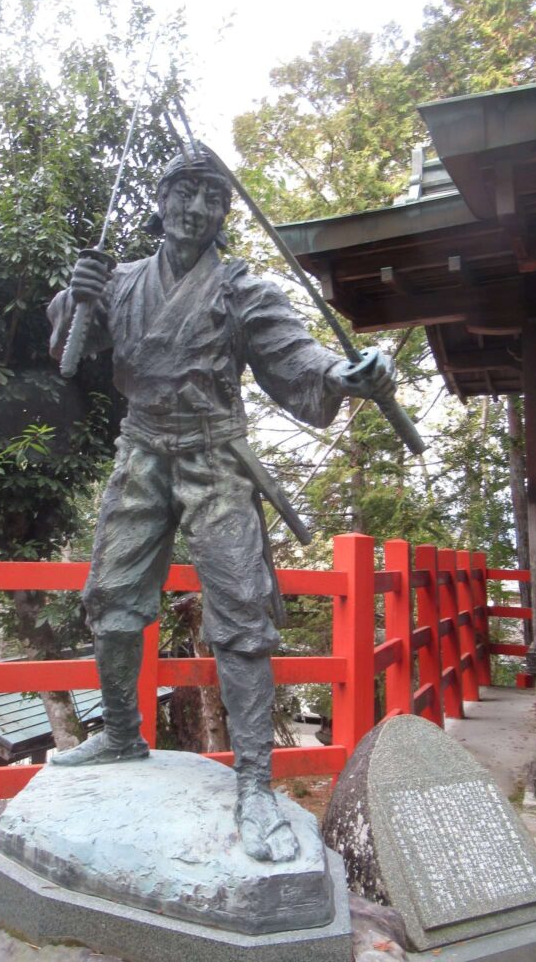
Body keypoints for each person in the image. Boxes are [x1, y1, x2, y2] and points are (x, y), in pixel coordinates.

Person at [47, 145, 395, 864]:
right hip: (141, 448)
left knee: (241, 614)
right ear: (161, 201)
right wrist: (76, 296)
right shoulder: (122, 281)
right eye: (185, 194)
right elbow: (68, 355)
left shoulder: (242, 289)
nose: (196, 209)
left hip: (215, 458)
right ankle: (119, 733)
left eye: (212, 199)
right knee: (111, 599)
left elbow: (295, 357)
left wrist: (343, 371)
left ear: (221, 214)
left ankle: (256, 784)